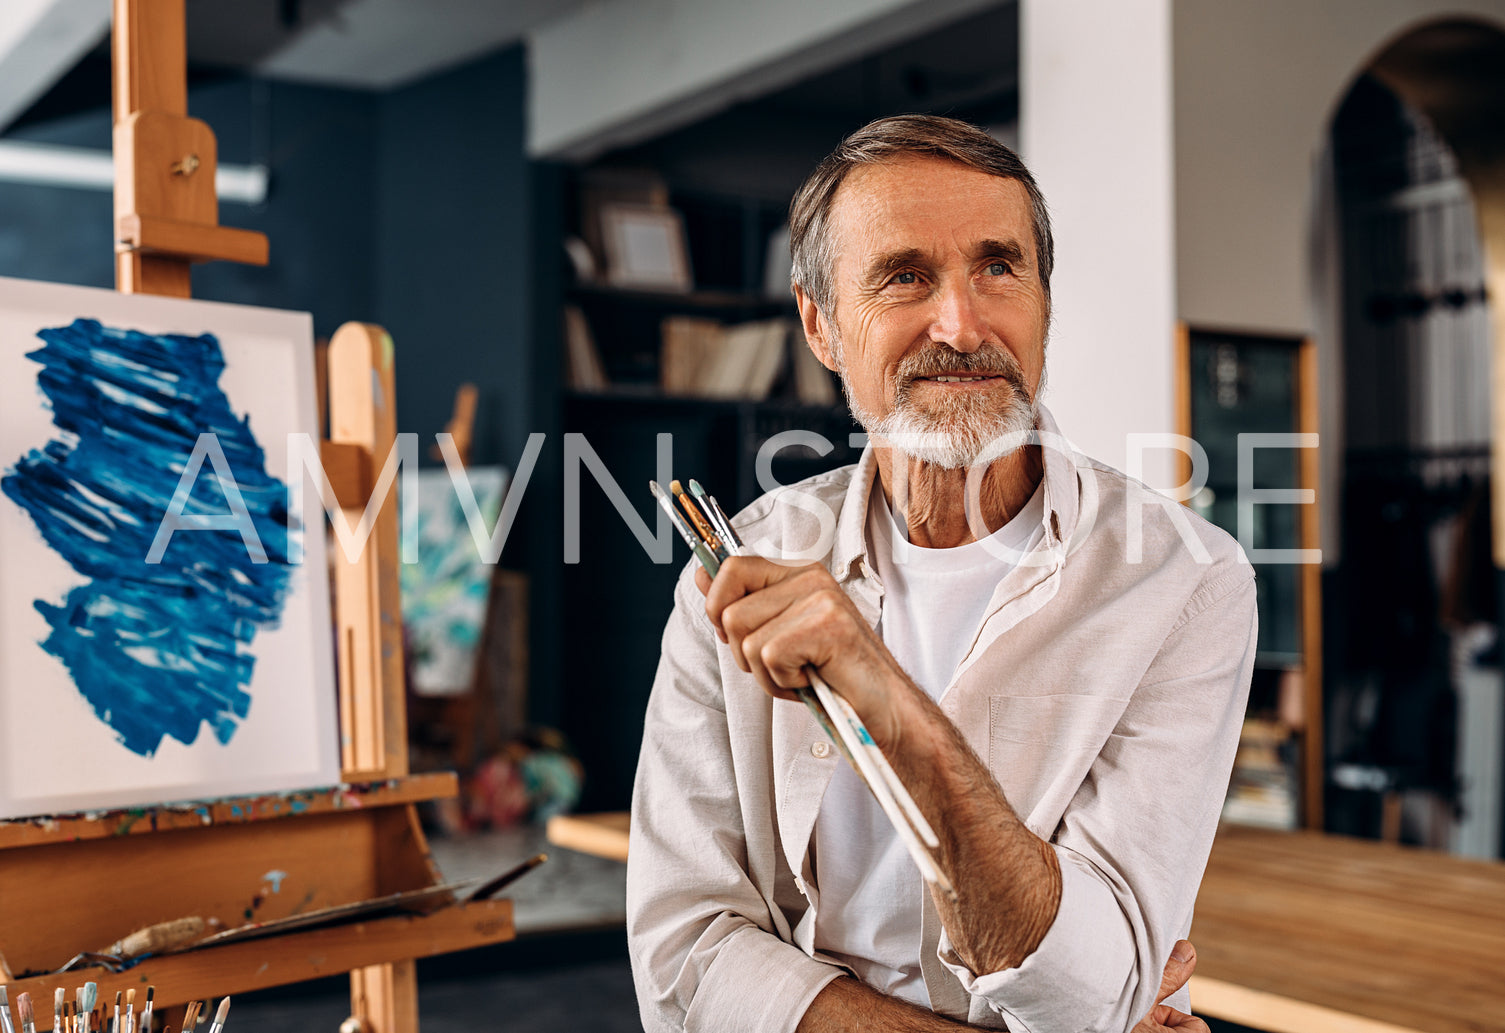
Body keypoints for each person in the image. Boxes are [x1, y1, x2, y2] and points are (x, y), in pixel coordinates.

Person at [627, 114, 1256, 1033]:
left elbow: (1093, 986)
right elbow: (682, 959)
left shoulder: (1183, 582)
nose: (961, 326)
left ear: (1043, 299)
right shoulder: (739, 568)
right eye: (904, 276)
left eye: (998, 267)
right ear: (822, 324)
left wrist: (884, 695)